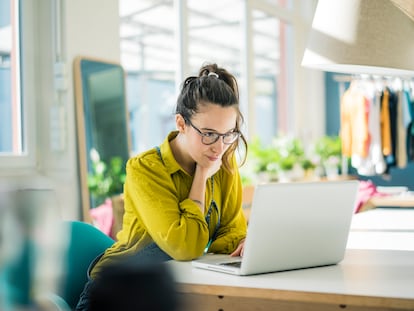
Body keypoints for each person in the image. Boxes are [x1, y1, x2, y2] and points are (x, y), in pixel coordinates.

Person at [76, 63, 248, 310]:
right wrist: (201, 176)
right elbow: (185, 246)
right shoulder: (145, 169)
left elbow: (231, 233)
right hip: (117, 293)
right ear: (181, 123)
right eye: (209, 134)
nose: (219, 147)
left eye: (228, 134)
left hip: (176, 287)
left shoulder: (223, 164)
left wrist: (241, 243)